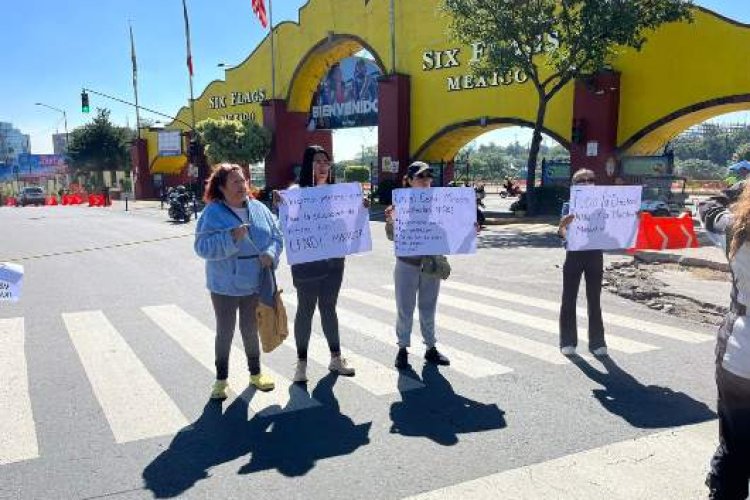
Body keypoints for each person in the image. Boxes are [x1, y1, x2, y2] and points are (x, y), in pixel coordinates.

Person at [194, 163, 283, 399]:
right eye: (235, 182)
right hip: (224, 285)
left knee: (250, 330)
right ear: (221, 187)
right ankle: (221, 380)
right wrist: (230, 238)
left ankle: (256, 373)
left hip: (255, 282)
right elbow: (201, 247)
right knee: (225, 331)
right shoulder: (212, 213)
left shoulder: (259, 208)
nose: (242, 185)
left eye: (243, 180)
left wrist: (271, 255)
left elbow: (277, 236)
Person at [277, 145, 357, 383]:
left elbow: (349, 224)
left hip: (334, 261)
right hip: (307, 263)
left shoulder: (339, 194)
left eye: (326, 162)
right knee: (305, 309)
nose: (323, 166)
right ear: (308, 164)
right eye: (318, 161)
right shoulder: (295, 192)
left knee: (329, 308)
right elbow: (287, 227)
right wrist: (281, 206)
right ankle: (301, 364)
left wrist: (359, 212)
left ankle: (335, 358)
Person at [699, 191, 750, 499]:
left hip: (740, 356)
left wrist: (738, 190)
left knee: (734, 446)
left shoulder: (736, 229)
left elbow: (707, 207)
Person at [385, 161, 451, 369]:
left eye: (428, 177)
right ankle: (402, 348)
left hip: (431, 264)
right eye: (421, 177)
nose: (426, 181)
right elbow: (391, 235)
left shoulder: (443, 203)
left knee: (428, 308)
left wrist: (470, 228)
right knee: (405, 308)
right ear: (410, 181)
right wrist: (391, 221)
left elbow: (454, 230)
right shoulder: (399, 206)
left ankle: (430, 347)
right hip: (407, 264)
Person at [557, 168, 607, 357]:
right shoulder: (569, 205)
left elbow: (617, 228)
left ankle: (597, 343)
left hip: (595, 255)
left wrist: (630, 218)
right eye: (581, 180)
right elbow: (561, 234)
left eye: (590, 179)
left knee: (595, 300)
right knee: (568, 299)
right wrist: (563, 224)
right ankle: (567, 341)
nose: (586, 182)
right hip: (574, 256)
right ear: (574, 185)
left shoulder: (605, 204)